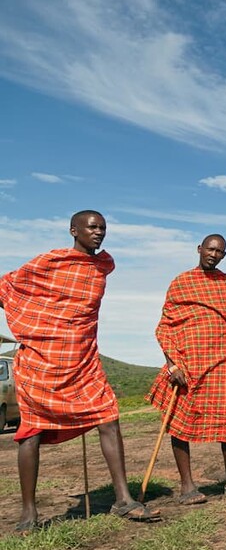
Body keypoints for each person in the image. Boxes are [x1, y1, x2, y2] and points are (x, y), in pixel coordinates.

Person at [0, 211, 159, 531]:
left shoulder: (99, 267)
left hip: (83, 361)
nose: (98, 233)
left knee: (108, 417)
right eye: (92, 227)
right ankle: (29, 514)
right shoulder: (50, 263)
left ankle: (124, 500)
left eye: (103, 228)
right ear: (74, 230)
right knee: (30, 433)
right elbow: (7, 288)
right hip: (41, 362)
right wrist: (37, 322)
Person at [146, 234, 226, 504]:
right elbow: (165, 325)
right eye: (210, 249)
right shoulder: (181, 282)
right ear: (199, 249)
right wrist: (172, 363)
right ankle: (187, 487)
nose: (214, 254)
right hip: (187, 361)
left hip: (220, 361)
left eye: (220, 251)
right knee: (180, 423)